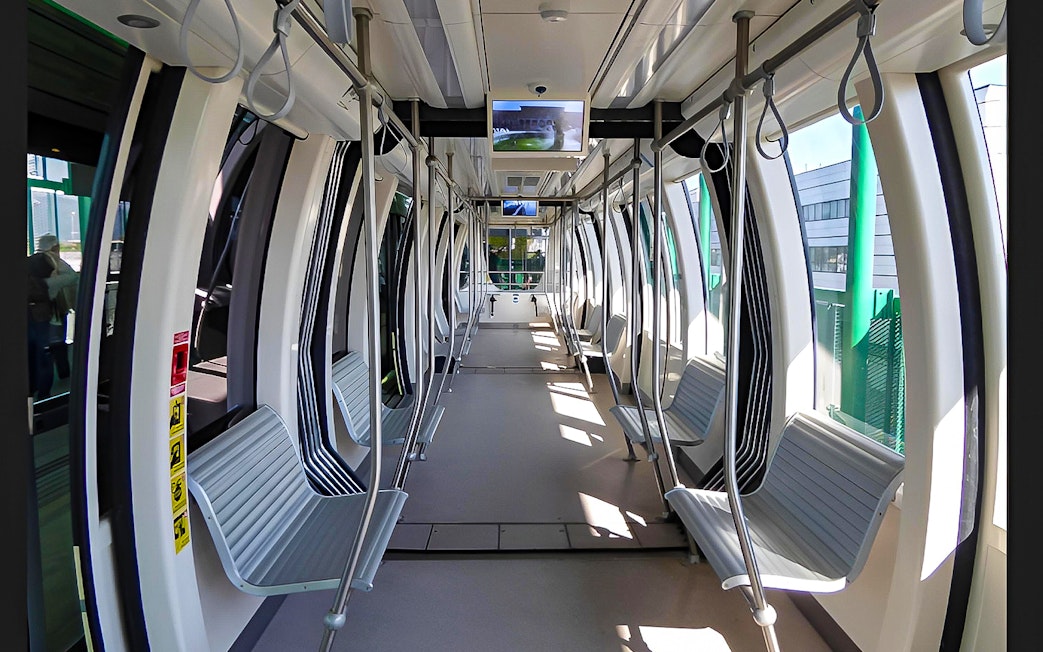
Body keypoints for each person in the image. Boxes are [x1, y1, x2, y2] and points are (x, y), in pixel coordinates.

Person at [27, 234, 79, 399]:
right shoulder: (53, 261)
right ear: (54, 247)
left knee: (34, 352)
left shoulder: (29, 262)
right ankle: (45, 394)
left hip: (30, 315)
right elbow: (72, 277)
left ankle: (32, 391)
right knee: (48, 352)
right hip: (48, 314)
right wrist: (49, 285)